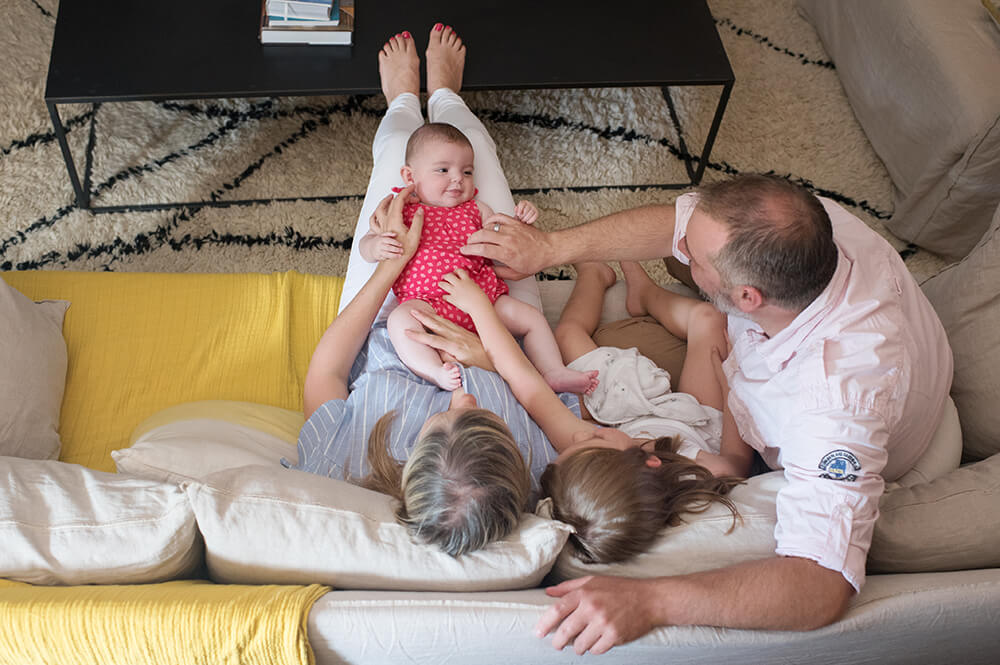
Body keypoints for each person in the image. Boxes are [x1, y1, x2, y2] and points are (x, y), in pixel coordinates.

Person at [457, 173, 953, 651]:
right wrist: (551, 248)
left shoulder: (834, 408)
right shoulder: (810, 222)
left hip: (902, 424)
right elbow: (680, 225)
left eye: (695, 255)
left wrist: (650, 602)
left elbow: (820, 584)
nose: (680, 249)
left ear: (747, 298)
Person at [293, 25, 620, 558]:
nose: (463, 395)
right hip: (489, 307)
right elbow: (541, 389)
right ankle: (445, 93)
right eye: (482, 417)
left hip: (396, 301)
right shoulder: (537, 465)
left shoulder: (343, 459)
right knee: (473, 163)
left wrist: (390, 260)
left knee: (401, 157)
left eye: (446, 417)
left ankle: (402, 97)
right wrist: (487, 356)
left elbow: (327, 371)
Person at [357, 119, 598, 395]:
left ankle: (553, 371)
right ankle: (434, 370)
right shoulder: (401, 210)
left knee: (531, 318)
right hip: (428, 305)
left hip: (486, 303)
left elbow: (506, 242)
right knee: (399, 321)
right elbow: (366, 244)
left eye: (467, 171)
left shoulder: (476, 209)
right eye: (443, 170)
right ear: (410, 177)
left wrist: (521, 223)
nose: (458, 178)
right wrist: (375, 245)